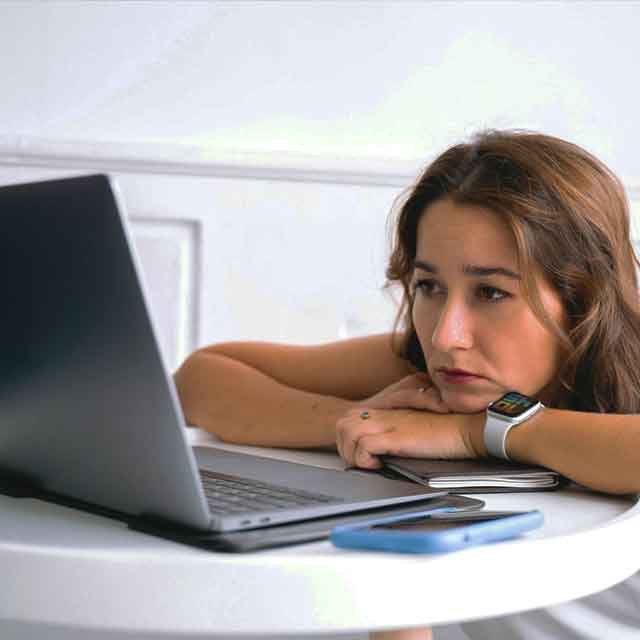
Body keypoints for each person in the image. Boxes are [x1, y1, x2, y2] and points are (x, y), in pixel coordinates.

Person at [174, 130, 640, 640]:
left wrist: (477, 433)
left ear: (582, 299)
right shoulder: (431, 376)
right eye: (429, 286)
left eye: (490, 292)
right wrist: (358, 423)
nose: (445, 336)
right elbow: (201, 379)